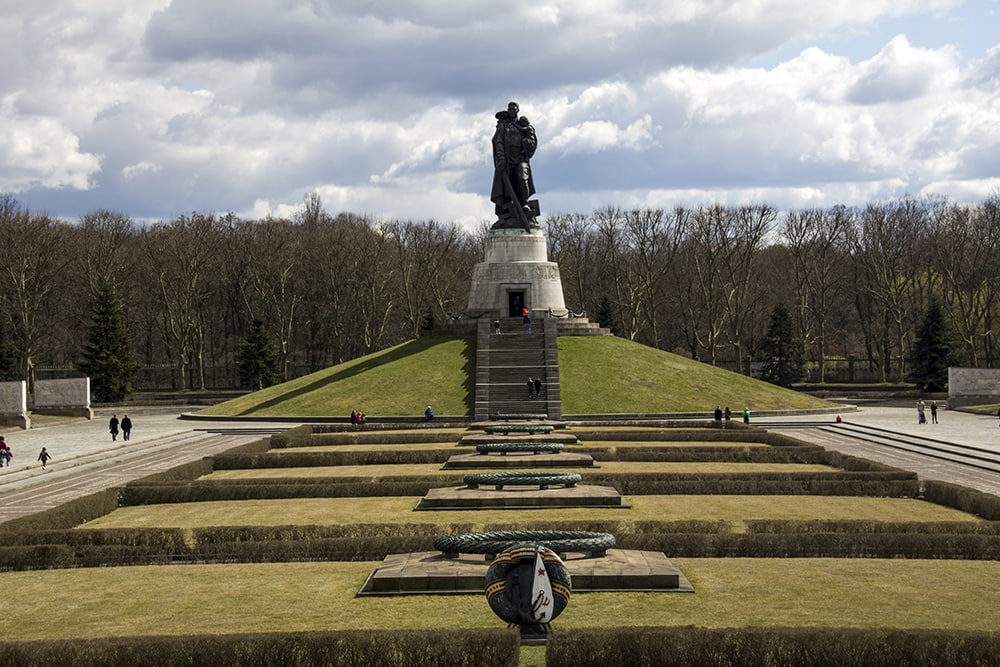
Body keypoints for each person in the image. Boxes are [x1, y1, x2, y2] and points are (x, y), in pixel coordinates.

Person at [490, 101, 538, 230]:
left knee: (523, 179)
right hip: (506, 161)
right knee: (506, 187)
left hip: (520, 158)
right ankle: (506, 213)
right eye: (509, 109)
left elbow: (532, 143)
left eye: (514, 109)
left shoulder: (523, 126)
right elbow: (497, 141)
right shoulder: (503, 126)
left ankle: (524, 204)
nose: (512, 111)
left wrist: (526, 142)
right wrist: (500, 157)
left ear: (518, 110)